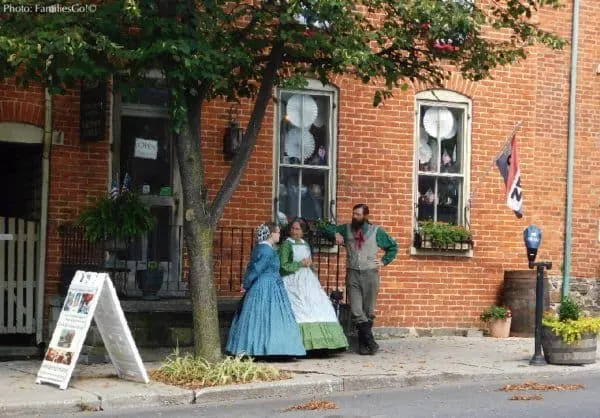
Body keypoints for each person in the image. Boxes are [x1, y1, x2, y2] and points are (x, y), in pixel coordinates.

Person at [320, 204, 398, 355]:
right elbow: (325, 228)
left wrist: (383, 261)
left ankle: (364, 346)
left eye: (358, 214)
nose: (354, 216)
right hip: (353, 273)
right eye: (354, 214)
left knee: (368, 311)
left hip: (370, 274)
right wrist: (334, 234)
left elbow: (393, 247)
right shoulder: (347, 228)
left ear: (365, 216)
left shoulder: (376, 231)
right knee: (356, 310)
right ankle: (371, 341)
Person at [226, 222, 306, 358]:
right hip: (266, 285)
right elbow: (256, 269)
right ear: (272, 234)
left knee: (260, 317)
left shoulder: (262, 248)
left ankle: (260, 348)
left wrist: (247, 283)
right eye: (278, 232)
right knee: (267, 316)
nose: (279, 235)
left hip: (267, 284)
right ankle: (268, 349)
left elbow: (252, 267)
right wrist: (246, 284)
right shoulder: (266, 250)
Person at [280, 218, 349, 353]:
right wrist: (300, 264)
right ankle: (301, 344)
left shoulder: (305, 244)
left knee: (318, 308)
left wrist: (313, 274)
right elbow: (283, 266)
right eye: (292, 228)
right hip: (292, 280)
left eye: (297, 229)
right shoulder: (286, 244)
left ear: (303, 231)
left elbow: (310, 263)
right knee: (299, 309)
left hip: (308, 280)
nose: (294, 231)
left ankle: (324, 344)